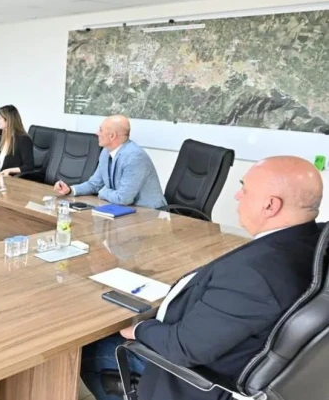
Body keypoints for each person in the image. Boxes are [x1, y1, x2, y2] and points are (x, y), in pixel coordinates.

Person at [81, 156, 324, 400]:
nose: (237, 196)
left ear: (270, 206)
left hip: (192, 380)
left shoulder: (255, 274)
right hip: (233, 348)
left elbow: (183, 348)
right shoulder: (311, 243)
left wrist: (140, 329)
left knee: (88, 350)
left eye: (244, 189)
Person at [54, 115, 165, 209]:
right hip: (124, 210)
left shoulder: (134, 157)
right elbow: (94, 184)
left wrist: (103, 192)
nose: (97, 133)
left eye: (100, 130)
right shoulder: (106, 152)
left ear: (112, 136)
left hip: (149, 213)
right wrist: (70, 190)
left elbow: (123, 198)